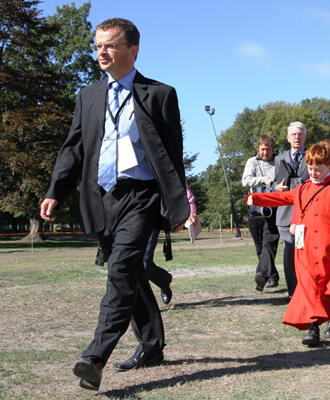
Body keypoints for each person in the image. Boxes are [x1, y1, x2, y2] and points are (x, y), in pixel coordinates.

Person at [39, 18, 189, 391]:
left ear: (132, 51)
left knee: (121, 272)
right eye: (97, 46)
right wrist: (55, 190)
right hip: (100, 197)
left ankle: (95, 357)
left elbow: (173, 155)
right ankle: (152, 344)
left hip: (141, 196)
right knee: (133, 275)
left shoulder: (159, 94)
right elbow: (74, 147)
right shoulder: (88, 96)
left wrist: (179, 203)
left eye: (109, 45)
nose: (101, 52)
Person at [246, 142, 330, 346]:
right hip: (305, 250)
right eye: (310, 168)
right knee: (309, 288)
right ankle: (312, 327)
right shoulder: (301, 190)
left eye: (319, 169)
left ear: (329, 167)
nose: (314, 172)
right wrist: (256, 198)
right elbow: (281, 197)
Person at [274, 122, 309, 298]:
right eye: (294, 134)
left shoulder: (312, 156)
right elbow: (275, 182)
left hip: (306, 213)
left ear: (305, 137)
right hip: (285, 214)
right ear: (288, 138)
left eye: (300, 134)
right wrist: (276, 188)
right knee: (289, 252)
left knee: (302, 252)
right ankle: (292, 291)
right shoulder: (280, 158)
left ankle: (304, 288)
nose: (297, 137)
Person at [242, 134, 280, 291]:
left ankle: (262, 275)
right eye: (262, 149)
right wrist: (264, 180)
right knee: (260, 248)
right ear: (258, 148)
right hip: (255, 210)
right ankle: (273, 276)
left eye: (268, 149)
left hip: (273, 210)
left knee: (268, 245)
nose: (265, 153)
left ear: (273, 149)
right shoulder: (252, 162)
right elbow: (246, 181)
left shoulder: (279, 163)